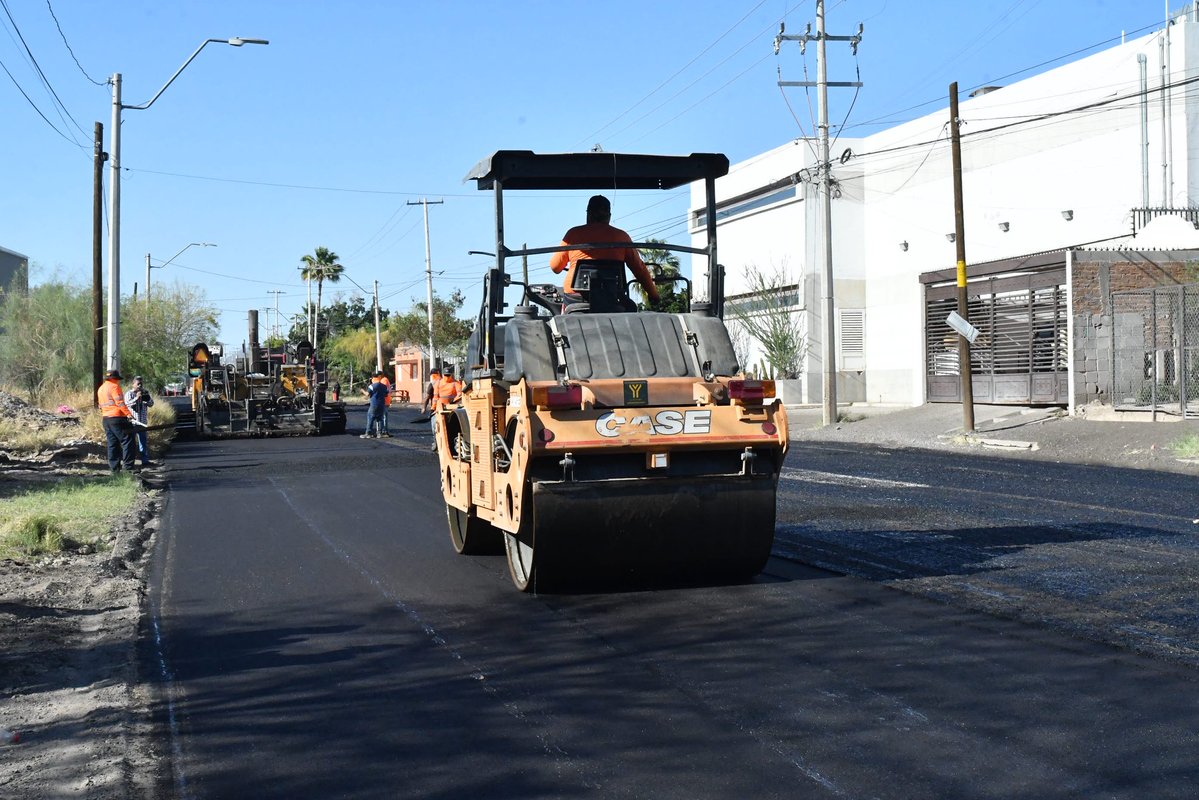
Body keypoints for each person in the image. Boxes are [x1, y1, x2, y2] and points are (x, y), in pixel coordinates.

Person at [549, 194, 660, 306]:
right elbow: (639, 268)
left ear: (588, 213)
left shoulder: (573, 234)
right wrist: (653, 295)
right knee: (631, 306)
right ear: (609, 216)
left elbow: (555, 267)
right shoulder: (622, 237)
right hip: (612, 296)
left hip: (576, 298)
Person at [97, 369, 136, 473]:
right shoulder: (114, 387)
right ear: (114, 378)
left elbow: (101, 406)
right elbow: (120, 403)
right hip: (117, 418)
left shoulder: (101, 388)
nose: (118, 381)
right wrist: (128, 414)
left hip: (106, 419)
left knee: (112, 444)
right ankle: (128, 468)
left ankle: (115, 470)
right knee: (128, 440)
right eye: (117, 379)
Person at [123, 375, 155, 467]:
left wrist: (147, 398)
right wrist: (137, 397)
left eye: (141, 383)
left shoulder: (145, 392)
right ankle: (130, 462)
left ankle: (145, 461)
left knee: (143, 442)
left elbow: (151, 404)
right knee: (131, 443)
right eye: (138, 384)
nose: (140, 386)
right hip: (133, 422)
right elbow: (127, 404)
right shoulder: (129, 393)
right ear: (133, 384)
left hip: (142, 422)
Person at [361, 372, 388, 439]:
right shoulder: (384, 386)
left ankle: (368, 433)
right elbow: (386, 394)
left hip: (374, 404)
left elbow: (367, 394)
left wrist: (362, 391)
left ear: (373, 378)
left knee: (370, 418)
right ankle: (379, 433)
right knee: (380, 419)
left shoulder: (372, 386)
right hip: (382, 404)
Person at [379, 372, 393, 437]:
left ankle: (384, 431)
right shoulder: (384, 379)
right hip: (385, 400)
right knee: (383, 416)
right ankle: (383, 430)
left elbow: (382, 389)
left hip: (385, 400)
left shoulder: (384, 380)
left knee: (383, 416)